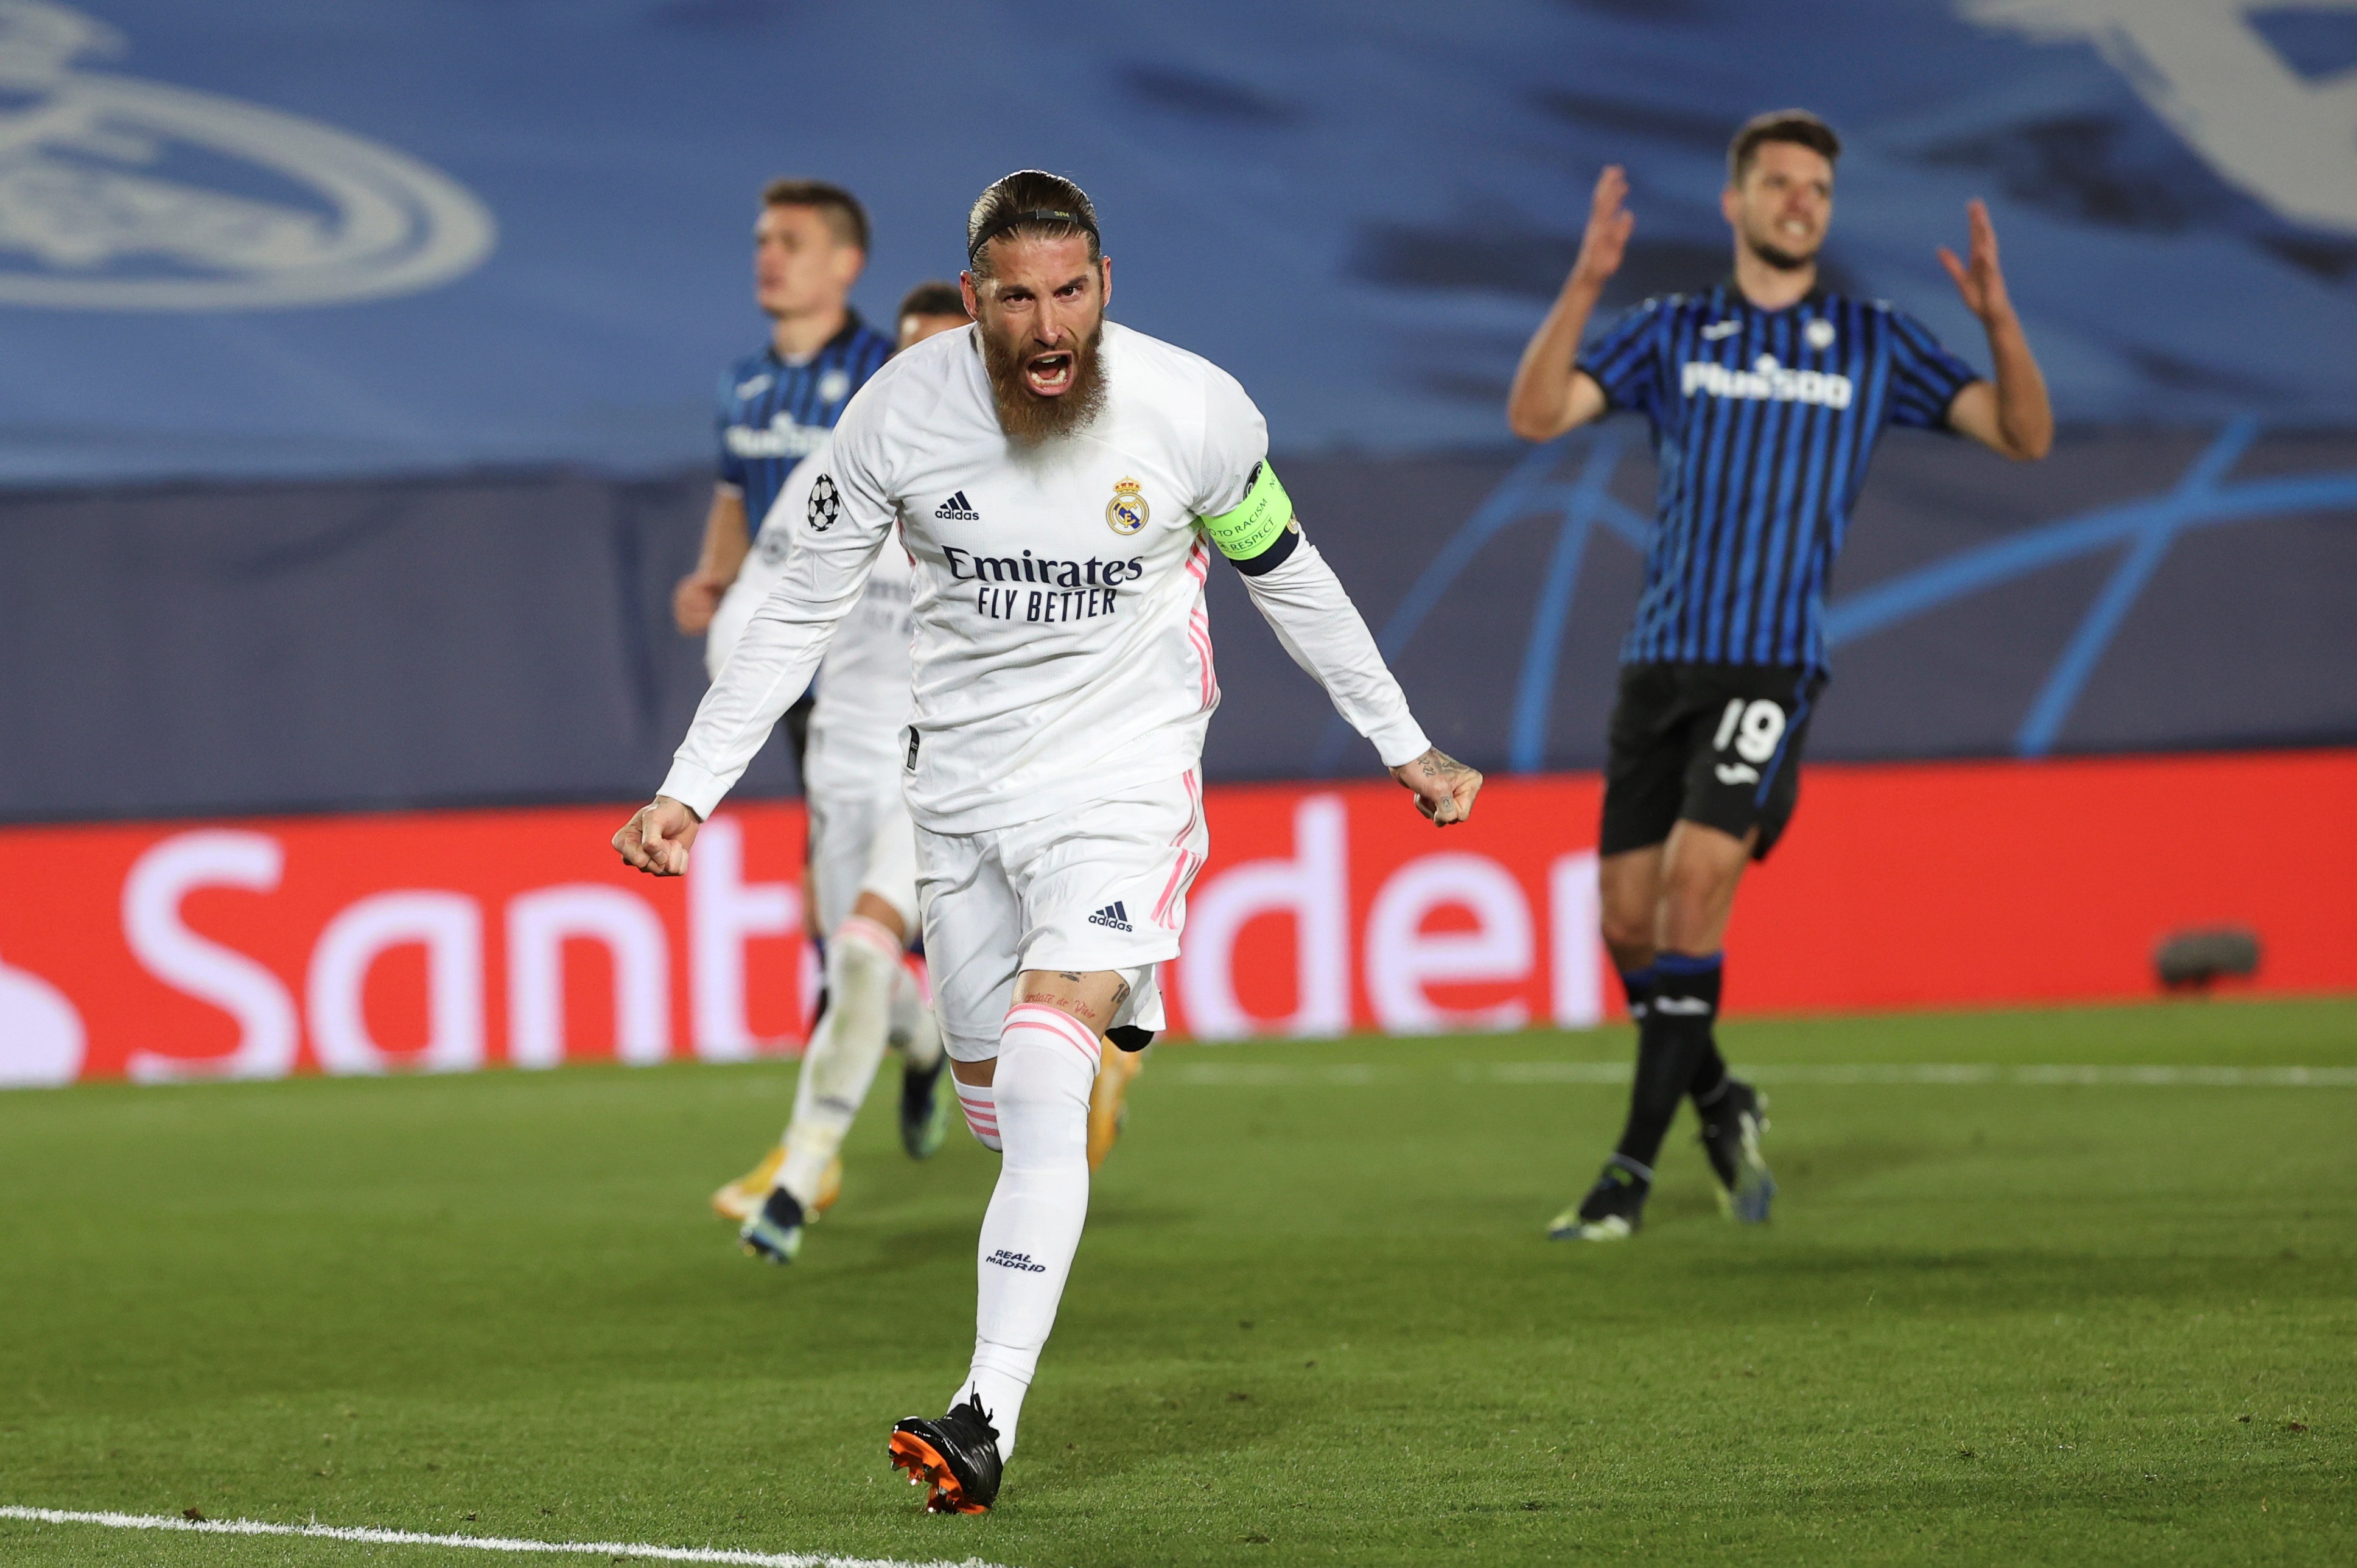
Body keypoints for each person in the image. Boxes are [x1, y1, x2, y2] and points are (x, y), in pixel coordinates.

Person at [615, 170, 1480, 1512]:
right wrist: (691, 789)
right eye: (1015, 296)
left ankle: (983, 1412)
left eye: (1068, 289)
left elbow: (1285, 572)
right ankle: (1116, 1008)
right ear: (972, 302)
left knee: (1035, 1080)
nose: (1046, 320)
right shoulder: (897, 416)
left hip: (1124, 783)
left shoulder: (1191, 410)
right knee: (996, 1111)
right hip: (956, 800)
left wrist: (1401, 738)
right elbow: (790, 614)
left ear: (1104, 286)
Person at [1505, 110, 2051, 1242]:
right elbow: (1535, 413)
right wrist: (1583, 283)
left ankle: (1625, 1178)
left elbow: (2021, 435)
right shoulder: (1669, 331)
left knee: (1696, 885)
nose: (1801, 200)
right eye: (1781, 183)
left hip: (1771, 661)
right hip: (1659, 664)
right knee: (1625, 925)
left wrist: (1998, 322)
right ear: (1735, 201)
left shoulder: (1873, 339)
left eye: (1817, 188)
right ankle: (1720, 1095)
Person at [705, 284, 975, 1259]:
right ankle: (925, 1042)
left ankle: (801, 1169)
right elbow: (760, 598)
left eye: (948, 357)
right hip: (841, 762)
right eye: (907, 358)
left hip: (942, 767)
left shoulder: (1024, 484)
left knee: (862, 949)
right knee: (859, 967)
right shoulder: (840, 467)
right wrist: (736, 693)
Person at [673, 178, 895, 774]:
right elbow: (735, 493)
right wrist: (715, 578)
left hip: (870, 655)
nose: (768, 257)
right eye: (763, 241)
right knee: (831, 836)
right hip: (791, 652)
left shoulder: (888, 372)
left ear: (846, 263)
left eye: (791, 243)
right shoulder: (742, 383)